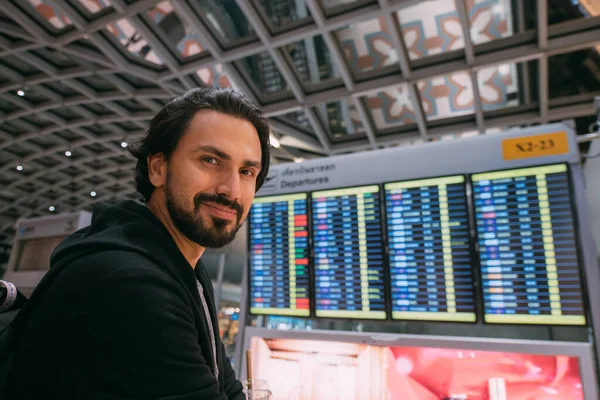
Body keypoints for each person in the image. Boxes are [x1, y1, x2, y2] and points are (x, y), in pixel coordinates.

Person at [5, 87, 271, 399]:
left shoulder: (183, 269)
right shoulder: (130, 282)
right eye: (210, 160)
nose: (232, 189)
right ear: (158, 168)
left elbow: (224, 383)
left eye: (247, 171)